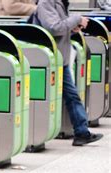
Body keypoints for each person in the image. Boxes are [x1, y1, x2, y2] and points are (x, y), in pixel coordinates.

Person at [36, 0, 103, 146]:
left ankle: (81, 132)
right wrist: (76, 19)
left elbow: (60, 27)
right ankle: (81, 132)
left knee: (72, 96)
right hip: (50, 61)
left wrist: (72, 28)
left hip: (60, 60)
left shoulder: (60, 2)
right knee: (69, 96)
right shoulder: (46, 3)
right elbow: (54, 28)